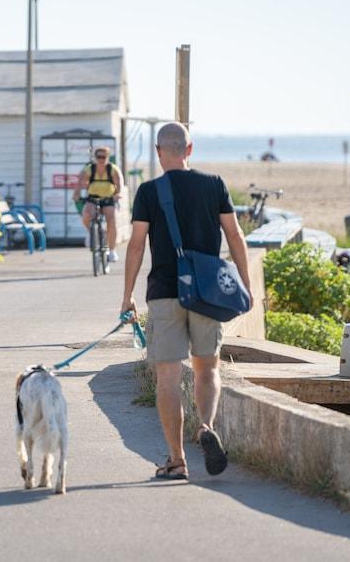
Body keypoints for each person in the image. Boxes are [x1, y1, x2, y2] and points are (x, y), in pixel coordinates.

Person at [121, 123, 251, 479]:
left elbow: (135, 245)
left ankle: (177, 460)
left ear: (158, 152)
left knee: (168, 377)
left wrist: (127, 295)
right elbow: (235, 235)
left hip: (164, 291)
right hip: (207, 292)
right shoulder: (214, 185)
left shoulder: (149, 191)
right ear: (189, 150)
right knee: (207, 368)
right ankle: (205, 427)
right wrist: (245, 284)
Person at [75, 146, 123, 262]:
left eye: (103, 157)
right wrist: (76, 194)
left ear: (108, 158)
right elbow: (81, 181)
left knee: (111, 220)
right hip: (93, 197)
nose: (101, 159)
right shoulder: (90, 169)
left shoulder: (113, 169)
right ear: (95, 158)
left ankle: (112, 251)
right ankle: (92, 232)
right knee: (86, 215)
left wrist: (118, 194)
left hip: (108, 198)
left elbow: (119, 183)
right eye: (98, 157)